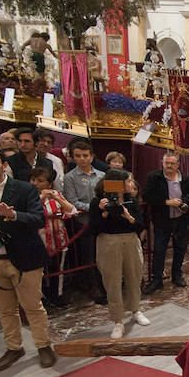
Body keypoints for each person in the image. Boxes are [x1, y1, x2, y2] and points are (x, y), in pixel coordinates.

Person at [0, 147, 57, 371]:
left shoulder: (24, 189)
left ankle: (43, 346)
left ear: (4, 165)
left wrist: (13, 215)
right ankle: (14, 348)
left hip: (24, 256)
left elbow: (38, 219)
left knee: (32, 306)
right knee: (5, 309)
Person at [90, 169, 149, 338]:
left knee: (134, 277)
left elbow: (140, 226)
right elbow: (93, 229)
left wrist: (128, 217)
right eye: (128, 181)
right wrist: (104, 212)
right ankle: (117, 320)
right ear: (116, 183)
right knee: (113, 281)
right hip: (108, 242)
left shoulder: (131, 200)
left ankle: (135, 310)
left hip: (130, 241)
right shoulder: (97, 202)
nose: (131, 184)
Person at [62, 140, 106, 303]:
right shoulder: (69, 178)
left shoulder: (102, 175)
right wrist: (96, 207)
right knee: (89, 256)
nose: (82, 159)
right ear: (73, 157)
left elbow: (109, 195)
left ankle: (105, 284)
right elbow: (72, 201)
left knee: (103, 253)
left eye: (85, 156)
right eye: (78, 156)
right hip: (84, 223)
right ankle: (93, 287)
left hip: (102, 221)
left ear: (91, 156)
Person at [144, 152, 189, 292]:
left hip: (181, 220)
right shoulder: (154, 177)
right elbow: (147, 196)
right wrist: (166, 202)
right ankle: (157, 279)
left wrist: (186, 206)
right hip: (162, 220)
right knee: (159, 250)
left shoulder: (185, 179)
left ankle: (177, 275)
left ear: (178, 164)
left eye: (172, 163)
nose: (169, 166)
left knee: (180, 249)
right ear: (162, 163)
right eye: (167, 163)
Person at [30, 167, 75, 307]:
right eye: (33, 180)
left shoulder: (56, 194)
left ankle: (57, 295)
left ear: (49, 184)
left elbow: (71, 211)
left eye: (40, 181)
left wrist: (56, 198)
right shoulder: (27, 196)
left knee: (58, 269)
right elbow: (29, 215)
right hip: (39, 240)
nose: (35, 183)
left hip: (58, 238)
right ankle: (41, 297)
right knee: (39, 271)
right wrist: (40, 199)